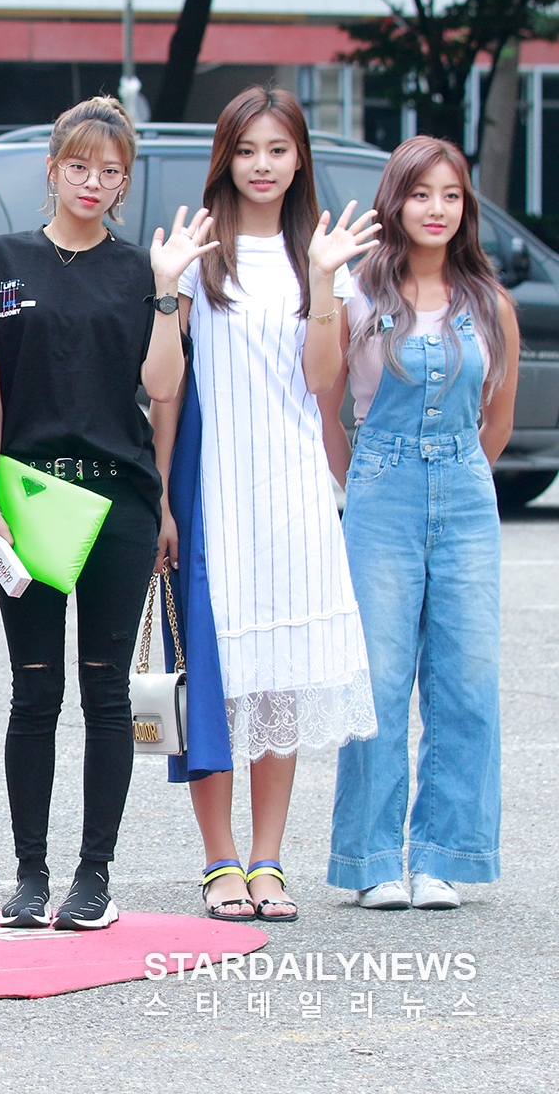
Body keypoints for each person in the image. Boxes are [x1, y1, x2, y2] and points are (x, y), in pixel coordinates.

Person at [0, 96, 203, 931]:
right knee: (34, 692)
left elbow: (163, 388)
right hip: (29, 496)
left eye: (110, 171)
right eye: (79, 166)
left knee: (107, 694)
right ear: (52, 168)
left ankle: (92, 877)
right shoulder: (0, 261)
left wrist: (168, 294)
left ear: (125, 182)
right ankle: (29, 876)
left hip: (118, 500)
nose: (92, 183)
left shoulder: (142, 271)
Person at [150, 86, 379, 923]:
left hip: (292, 493)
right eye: (247, 149)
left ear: (299, 159)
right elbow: (165, 390)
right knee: (215, 681)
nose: (262, 165)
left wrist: (321, 279)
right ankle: (219, 861)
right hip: (213, 493)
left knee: (277, 680)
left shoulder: (320, 256)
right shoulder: (197, 255)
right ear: (225, 158)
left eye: (278, 149)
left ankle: (270, 859)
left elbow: (323, 381)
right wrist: (163, 498)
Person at [323, 137, 519, 911]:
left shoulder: (490, 304)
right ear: (394, 202)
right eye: (421, 194)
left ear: (466, 207)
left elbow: (496, 423)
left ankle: (442, 856)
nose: (436, 209)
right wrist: (368, 480)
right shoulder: (357, 296)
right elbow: (327, 409)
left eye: (451, 195)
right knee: (378, 677)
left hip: (466, 492)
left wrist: (456, 472)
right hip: (382, 490)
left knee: (464, 679)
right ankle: (374, 859)